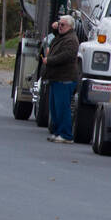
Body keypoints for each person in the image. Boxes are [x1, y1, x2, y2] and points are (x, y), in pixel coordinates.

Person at [43, 15, 80, 144]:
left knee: (63, 108)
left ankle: (66, 135)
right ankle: (58, 132)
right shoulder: (62, 36)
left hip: (65, 79)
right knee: (54, 108)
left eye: (63, 25)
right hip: (56, 77)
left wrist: (49, 60)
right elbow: (57, 33)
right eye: (59, 24)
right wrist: (55, 26)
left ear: (70, 26)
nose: (60, 26)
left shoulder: (71, 40)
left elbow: (66, 56)